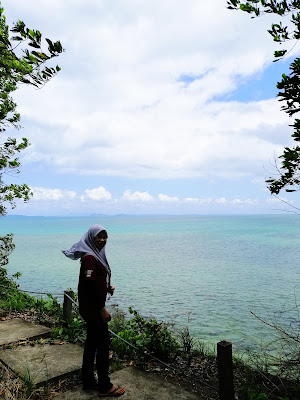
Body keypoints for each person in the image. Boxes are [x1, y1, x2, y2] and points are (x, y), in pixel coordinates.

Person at [63, 224, 125, 397]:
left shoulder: (93, 255)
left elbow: (94, 283)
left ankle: (89, 380)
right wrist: (102, 308)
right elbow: (90, 286)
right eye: (99, 236)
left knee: (91, 345)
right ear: (91, 238)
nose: (102, 240)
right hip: (94, 311)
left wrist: (106, 288)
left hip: (90, 309)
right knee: (103, 347)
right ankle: (105, 386)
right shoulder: (90, 258)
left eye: (105, 236)